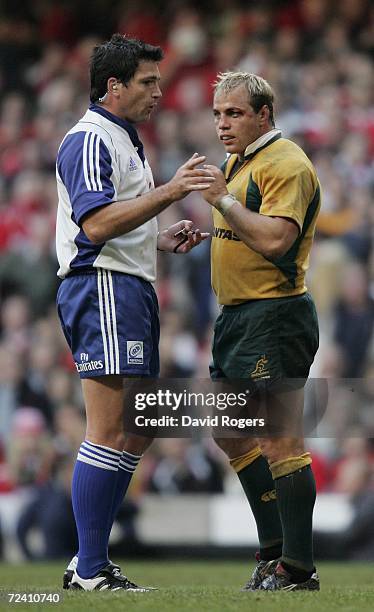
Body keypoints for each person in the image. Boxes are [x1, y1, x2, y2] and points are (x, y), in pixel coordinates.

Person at [55, 33, 212, 592]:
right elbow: (93, 225)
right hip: (102, 288)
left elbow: (116, 223)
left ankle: (88, 561)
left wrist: (156, 239)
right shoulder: (89, 139)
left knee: (140, 426)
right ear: (113, 87)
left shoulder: (124, 139)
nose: (158, 92)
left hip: (130, 284)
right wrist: (170, 193)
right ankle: (91, 567)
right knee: (109, 426)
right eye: (148, 82)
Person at [201, 72, 321, 591]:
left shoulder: (287, 164)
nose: (223, 124)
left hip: (274, 315)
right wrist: (207, 231)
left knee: (280, 438)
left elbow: (275, 240)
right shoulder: (241, 162)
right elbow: (245, 227)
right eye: (217, 115)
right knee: (229, 429)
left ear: (263, 114)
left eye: (234, 113)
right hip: (237, 317)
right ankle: (273, 550)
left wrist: (223, 203)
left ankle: (297, 568)